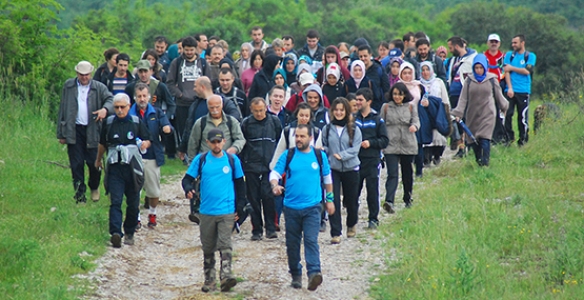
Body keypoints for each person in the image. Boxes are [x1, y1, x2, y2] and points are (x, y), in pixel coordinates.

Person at [270, 124, 335, 291]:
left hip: (313, 207)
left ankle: (314, 273)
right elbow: (275, 173)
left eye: (302, 136)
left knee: (311, 240)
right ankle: (296, 274)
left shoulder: (319, 156)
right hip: (291, 208)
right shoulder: (288, 155)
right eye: (296, 136)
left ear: (310, 138)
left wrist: (330, 200)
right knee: (292, 243)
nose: (298, 139)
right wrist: (275, 185)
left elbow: (328, 180)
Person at [182, 128, 245, 292]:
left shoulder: (232, 160)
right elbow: (187, 179)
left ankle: (226, 276)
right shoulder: (201, 160)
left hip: (227, 210)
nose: (216, 145)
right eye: (213, 142)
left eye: (219, 141)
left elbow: (240, 184)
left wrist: (241, 207)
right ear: (208, 143)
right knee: (208, 246)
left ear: (224, 141)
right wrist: (188, 189)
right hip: (207, 210)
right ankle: (209, 280)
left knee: (225, 244)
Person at [95, 93, 151, 247]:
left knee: (133, 203)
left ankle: (130, 231)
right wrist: (98, 159)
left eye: (122, 107)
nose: (119, 110)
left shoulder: (136, 122)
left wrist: (145, 144)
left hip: (132, 169)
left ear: (128, 107)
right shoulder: (109, 123)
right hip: (115, 168)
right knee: (116, 201)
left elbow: (147, 139)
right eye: (117, 107)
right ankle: (115, 233)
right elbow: (102, 144)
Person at [57, 61, 113, 204]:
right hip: (74, 129)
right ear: (77, 74)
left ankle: (94, 186)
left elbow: (111, 100)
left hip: (93, 130)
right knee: (76, 164)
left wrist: (104, 110)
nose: (84, 78)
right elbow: (62, 108)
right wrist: (61, 133)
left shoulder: (99, 87)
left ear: (91, 74)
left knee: (94, 163)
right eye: (81, 75)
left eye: (86, 75)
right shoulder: (68, 86)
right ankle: (79, 196)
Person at [270, 103, 323, 230]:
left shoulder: (315, 132)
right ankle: (277, 220)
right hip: (290, 169)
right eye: (301, 115)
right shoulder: (288, 131)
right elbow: (280, 149)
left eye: (306, 115)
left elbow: (319, 152)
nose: (304, 118)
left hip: (309, 169)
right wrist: (274, 168)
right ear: (297, 115)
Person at [452, 54, 509, 166]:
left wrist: (504, 106)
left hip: (488, 114)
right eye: (476, 68)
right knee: (474, 141)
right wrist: (458, 113)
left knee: (485, 139)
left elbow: (499, 96)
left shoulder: (491, 79)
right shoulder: (469, 81)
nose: (478, 70)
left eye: (481, 68)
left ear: (485, 67)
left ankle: (485, 163)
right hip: (473, 115)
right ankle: (479, 162)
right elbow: (463, 98)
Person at [129, 83, 172, 228]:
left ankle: (152, 213)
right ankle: (136, 217)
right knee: (135, 189)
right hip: (134, 156)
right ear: (135, 97)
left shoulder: (157, 112)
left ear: (149, 97)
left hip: (152, 155)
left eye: (144, 96)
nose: (142, 99)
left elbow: (167, 126)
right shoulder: (129, 113)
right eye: (139, 96)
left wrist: (166, 128)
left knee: (153, 190)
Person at [322, 97, 362, 244]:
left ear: (346, 111)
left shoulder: (354, 128)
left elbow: (355, 149)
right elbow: (325, 146)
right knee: (333, 199)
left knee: (351, 201)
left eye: (342, 110)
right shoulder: (327, 129)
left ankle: (351, 224)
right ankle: (335, 232)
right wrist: (327, 152)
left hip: (351, 167)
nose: (339, 113)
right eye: (336, 110)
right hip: (333, 169)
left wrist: (342, 155)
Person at [241, 98, 282, 240]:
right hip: (251, 166)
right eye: (256, 111)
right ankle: (256, 229)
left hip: (269, 166)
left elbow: (279, 141)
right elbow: (242, 144)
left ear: (266, 108)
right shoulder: (246, 123)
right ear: (251, 110)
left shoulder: (274, 121)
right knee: (253, 199)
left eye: (261, 110)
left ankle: (270, 228)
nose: (259, 114)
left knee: (268, 197)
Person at [180, 77, 242, 162]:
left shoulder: (228, 111)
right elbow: (191, 136)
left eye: (195, 86)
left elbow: (240, 137)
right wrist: (184, 149)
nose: (215, 110)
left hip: (225, 160)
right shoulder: (196, 108)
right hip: (205, 160)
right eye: (211, 108)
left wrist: (234, 148)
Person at [167, 36, 209, 160]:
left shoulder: (203, 63)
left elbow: (209, 81)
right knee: (185, 130)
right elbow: (169, 82)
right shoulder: (177, 62)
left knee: (200, 129)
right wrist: (180, 94)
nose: (189, 53)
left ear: (196, 49)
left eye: (191, 50)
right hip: (182, 103)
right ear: (182, 49)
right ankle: (185, 155)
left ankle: (201, 154)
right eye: (187, 50)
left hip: (200, 102)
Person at [380, 83, 419, 213]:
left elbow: (416, 121)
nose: (397, 97)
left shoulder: (411, 107)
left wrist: (414, 126)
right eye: (395, 94)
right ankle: (389, 200)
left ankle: (408, 198)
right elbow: (381, 124)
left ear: (404, 95)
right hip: (391, 144)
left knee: (407, 173)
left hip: (408, 143)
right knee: (392, 173)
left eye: (400, 94)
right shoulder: (386, 107)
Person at [354, 88, 389, 229]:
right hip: (355, 160)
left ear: (369, 101)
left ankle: (373, 219)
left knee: (372, 190)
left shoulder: (377, 120)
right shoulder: (353, 119)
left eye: (360, 100)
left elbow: (384, 140)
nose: (357, 102)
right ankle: (352, 218)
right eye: (356, 99)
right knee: (354, 191)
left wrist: (371, 143)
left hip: (372, 159)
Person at [503, 34, 536, 146]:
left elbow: (527, 71)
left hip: (523, 90)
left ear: (522, 43)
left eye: (515, 43)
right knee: (507, 115)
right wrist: (510, 88)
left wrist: (512, 68)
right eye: (512, 43)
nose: (513, 45)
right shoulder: (509, 55)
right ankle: (508, 139)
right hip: (510, 90)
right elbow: (505, 71)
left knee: (522, 117)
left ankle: (523, 140)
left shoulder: (530, 56)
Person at [419, 61, 450, 166]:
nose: (425, 72)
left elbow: (444, 99)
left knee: (438, 136)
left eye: (427, 69)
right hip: (424, 114)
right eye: (423, 70)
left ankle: (437, 155)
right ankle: (426, 158)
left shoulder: (438, 82)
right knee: (426, 135)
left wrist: (447, 113)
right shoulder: (418, 84)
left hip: (437, 112)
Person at [358, 45, 390, 111]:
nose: (363, 58)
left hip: (376, 106)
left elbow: (386, 88)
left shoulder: (379, 69)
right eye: (361, 56)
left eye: (365, 56)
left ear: (370, 55)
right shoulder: (356, 69)